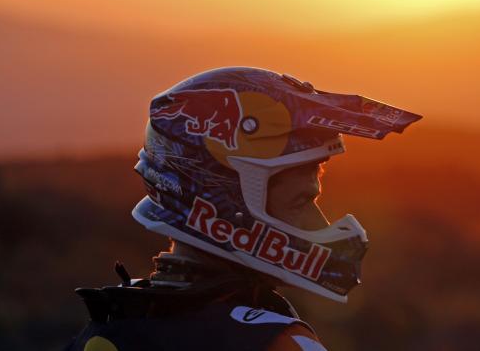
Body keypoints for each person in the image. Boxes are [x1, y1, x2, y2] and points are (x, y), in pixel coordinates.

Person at [64, 67, 422, 351]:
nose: (319, 221)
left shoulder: (108, 328)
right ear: (228, 203)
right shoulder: (275, 342)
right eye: (302, 201)